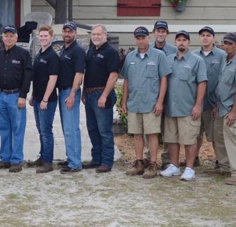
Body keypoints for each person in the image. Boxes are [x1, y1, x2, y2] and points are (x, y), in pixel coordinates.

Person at [122, 26, 171, 179]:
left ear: (148, 38)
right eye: (138, 38)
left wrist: (160, 102)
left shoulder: (158, 56)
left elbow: (164, 79)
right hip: (134, 102)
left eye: (143, 37)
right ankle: (139, 162)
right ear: (135, 39)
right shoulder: (130, 57)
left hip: (151, 103)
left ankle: (153, 163)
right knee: (137, 134)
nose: (141, 40)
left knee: (151, 134)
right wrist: (124, 101)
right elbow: (126, 80)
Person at [159, 31, 207, 181]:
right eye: (179, 40)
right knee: (171, 139)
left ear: (189, 43)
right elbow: (163, 81)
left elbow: (202, 83)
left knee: (189, 140)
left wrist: (198, 105)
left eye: (184, 40)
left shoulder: (197, 61)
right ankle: (174, 166)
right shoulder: (168, 60)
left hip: (188, 108)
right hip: (171, 108)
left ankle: (189, 168)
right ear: (175, 42)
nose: (181, 42)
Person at [0, 25, 33, 173]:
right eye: (6, 35)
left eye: (11, 35)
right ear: (2, 37)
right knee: (3, 129)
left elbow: (28, 76)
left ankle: (16, 160)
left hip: (16, 97)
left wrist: (23, 95)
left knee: (17, 129)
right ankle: (5, 159)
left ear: (16, 37)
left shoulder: (23, 54)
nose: (8, 38)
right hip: (1, 95)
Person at [214, 32, 236, 185]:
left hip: (232, 109)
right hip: (222, 106)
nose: (226, 46)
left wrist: (234, 111)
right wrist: (216, 104)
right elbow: (221, 83)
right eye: (225, 43)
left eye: (230, 43)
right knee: (219, 138)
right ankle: (225, 167)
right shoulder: (224, 59)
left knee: (233, 139)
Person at [82, 24, 119, 173]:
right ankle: (96, 159)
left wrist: (104, 95)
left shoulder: (110, 52)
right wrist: (84, 91)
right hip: (89, 94)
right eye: (93, 34)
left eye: (98, 34)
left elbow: (114, 75)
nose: (96, 37)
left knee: (104, 130)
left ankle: (107, 161)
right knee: (92, 129)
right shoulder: (91, 51)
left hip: (102, 94)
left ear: (105, 35)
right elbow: (87, 73)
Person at [192, 26, 226, 168]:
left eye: (208, 35)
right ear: (199, 38)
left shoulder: (222, 56)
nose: (205, 37)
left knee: (215, 135)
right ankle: (193, 158)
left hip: (213, 104)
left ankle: (220, 160)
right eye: (202, 35)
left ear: (213, 38)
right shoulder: (193, 55)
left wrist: (218, 103)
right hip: (196, 103)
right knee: (195, 134)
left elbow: (223, 79)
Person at [27, 25, 59, 174]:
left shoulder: (52, 56)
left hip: (48, 100)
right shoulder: (39, 54)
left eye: (46, 36)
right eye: (41, 36)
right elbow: (37, 78)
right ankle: (42, 156)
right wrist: (33, 95)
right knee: (40, 130)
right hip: (38, 99)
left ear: (51, 38)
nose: (43, 38)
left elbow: (52, 79)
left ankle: (48, 161)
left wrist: (45, 99)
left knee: (46, 131)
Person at [146, 20, 177, 167]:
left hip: (169, 96)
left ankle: (166, 159)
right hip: (151, 95)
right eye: (158, 31)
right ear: (154, 33)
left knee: (167, 130)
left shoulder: (173, 51)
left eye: (163, 31)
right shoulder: (147, 49)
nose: (160, 33)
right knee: (149, 128)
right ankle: (148, 157)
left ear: (167, 33)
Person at [56, 21, 85, 174]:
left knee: (71, 128)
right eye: (65, 31)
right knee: (66, 128)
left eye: (70, 32)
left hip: (69, 92)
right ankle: (71, 157)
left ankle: (75, 163)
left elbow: (79, 73)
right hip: (62, 92)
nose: (67, 34)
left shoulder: (77, 50)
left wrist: (73, 94)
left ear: (76, 33)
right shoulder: (64, 49)